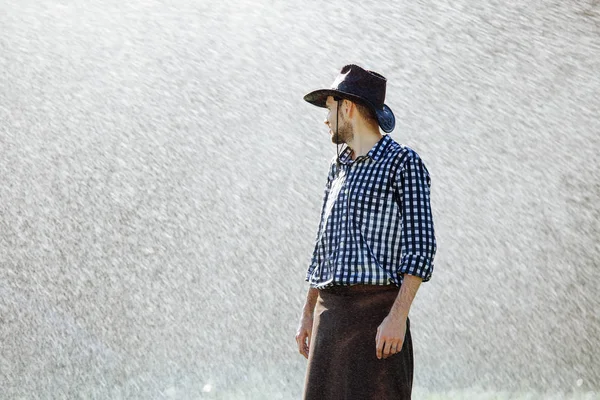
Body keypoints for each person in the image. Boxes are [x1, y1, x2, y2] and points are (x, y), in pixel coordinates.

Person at [295, 64, 437, 400]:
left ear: (347, 108)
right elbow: (322, 248)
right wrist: (307, 314)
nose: (325, 118)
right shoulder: (337, 167)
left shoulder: (402, 163)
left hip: (377, 319)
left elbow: (421, 248)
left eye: (329, 108)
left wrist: (397, 317)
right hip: (329, 319)